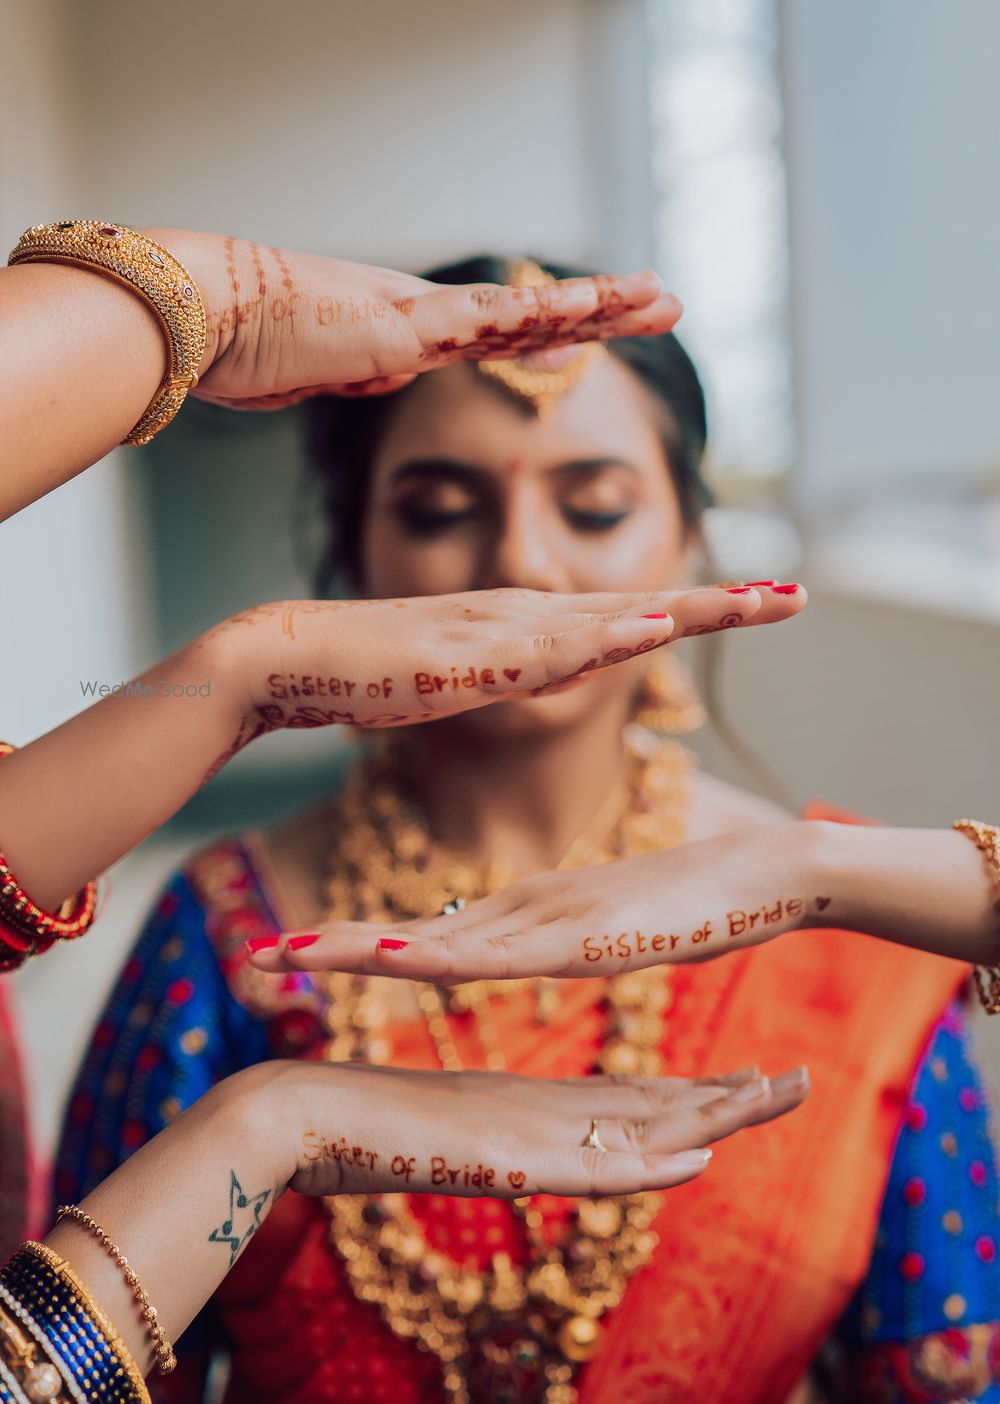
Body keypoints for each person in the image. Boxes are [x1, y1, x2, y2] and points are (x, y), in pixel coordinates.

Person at [58, 255, 999, 1404]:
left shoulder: (847, 945)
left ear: (690, 538)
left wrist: (812, 870)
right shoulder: (230, 940)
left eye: (594, 506)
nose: (524, 564)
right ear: (351, 552)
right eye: (441, 509)